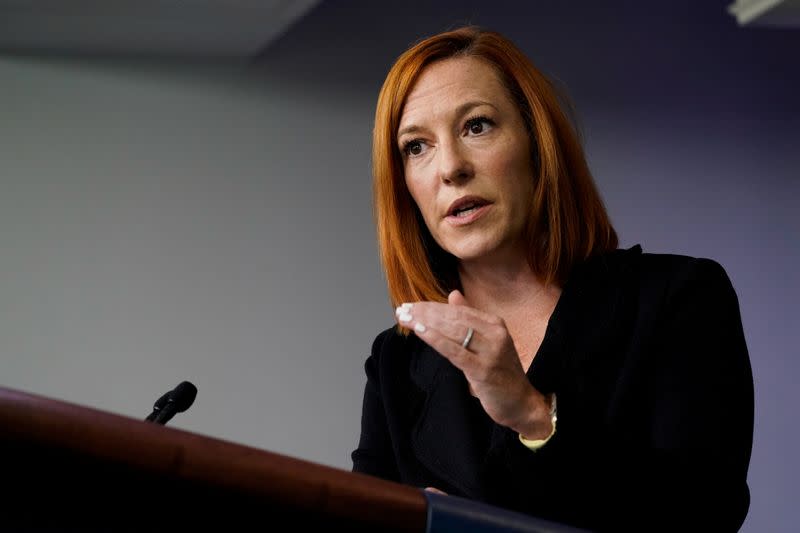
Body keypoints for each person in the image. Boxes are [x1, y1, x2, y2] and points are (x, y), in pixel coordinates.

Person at [351, 26, 754, 532]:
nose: (450, 167)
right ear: (404, 185)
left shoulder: (680, 298)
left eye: (477, 126)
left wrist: (533, 414)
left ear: (538, 146)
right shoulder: (396, 361)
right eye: (416, 147)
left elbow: (704, 514)